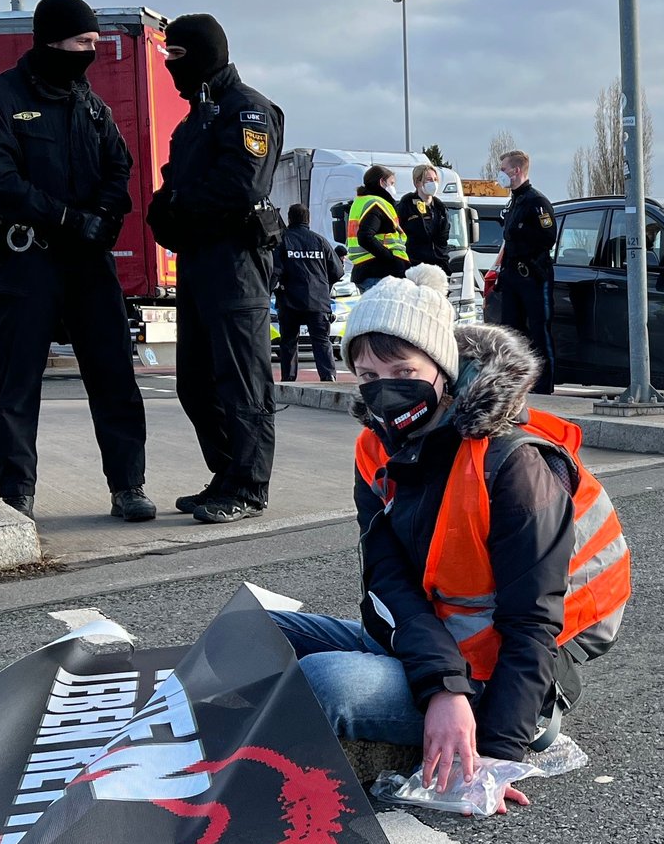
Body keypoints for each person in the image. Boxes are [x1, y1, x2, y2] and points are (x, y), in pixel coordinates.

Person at [265, 264, 627, 796]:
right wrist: (440, 686)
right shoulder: (377, 449)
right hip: (439, 645)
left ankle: (492, 724)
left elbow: (532, 623)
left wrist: (497, 756)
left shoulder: (512, 461)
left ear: (443, 368)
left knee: (328, 682)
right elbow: (388, 582)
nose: (384, 391)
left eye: (401, 371)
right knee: (260, 629)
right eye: (367, 377)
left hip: (511, 668)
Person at [0, 0, 154, 523]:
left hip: (89, 262)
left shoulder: (90, 105)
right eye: (84, 41)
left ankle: (128, 486)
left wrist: (104, 218)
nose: (93, 50)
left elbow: (120, 167)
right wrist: (68, 218)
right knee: (15, 383)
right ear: (53, 41)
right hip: (27, 262)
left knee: (114, 376)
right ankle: (16, 493)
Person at [146, 13, 285, 525]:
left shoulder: (247, 111)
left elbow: (241, 187)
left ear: (205, 53)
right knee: (195, 383)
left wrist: (179, 205)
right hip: (198, 265)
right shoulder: (192, 123)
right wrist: (167, 210)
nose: (170, 68)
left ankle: (249, 486)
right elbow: (170, 189)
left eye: (177, 57)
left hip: (236, 266)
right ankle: (225, 475)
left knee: (242, 383)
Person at [494, 150, 559, 394]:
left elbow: (548, 237)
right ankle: (515, 382)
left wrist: (522, 240)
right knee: (511, 331)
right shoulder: (514, 202)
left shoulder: (536, 202)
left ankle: (544, 385)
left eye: (503, 169)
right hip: (512, 276)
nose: (500, 174)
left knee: (539, 330)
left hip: (532, 275)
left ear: (516, 170)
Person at [273, 203, 344, 382]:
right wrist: (322, 286)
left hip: (290, 301)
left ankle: (288, 380)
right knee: (321, 341)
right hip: (318, 301)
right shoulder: (320, 241)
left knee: (289, 342)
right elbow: (337, 271)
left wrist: (272, 288)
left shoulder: (283, 241)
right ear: (308, 219)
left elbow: (274, 271)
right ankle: (328, 378)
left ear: (289, 219)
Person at [346, 165, 408, 292]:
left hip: (366, 270)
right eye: (391, 183)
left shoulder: (362, 201)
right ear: (381, 182)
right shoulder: (376, 204)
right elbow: (365, 237)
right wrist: (390, 258)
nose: (393, 187)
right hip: (379, 273)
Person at [396, 163, 452, 276]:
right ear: (417, 183)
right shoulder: (406, 206)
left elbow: (443, 240)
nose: (433, 183)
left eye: (435, 179)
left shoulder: (441, 209)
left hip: (438, 267)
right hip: (414, 268)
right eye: (428, 180)